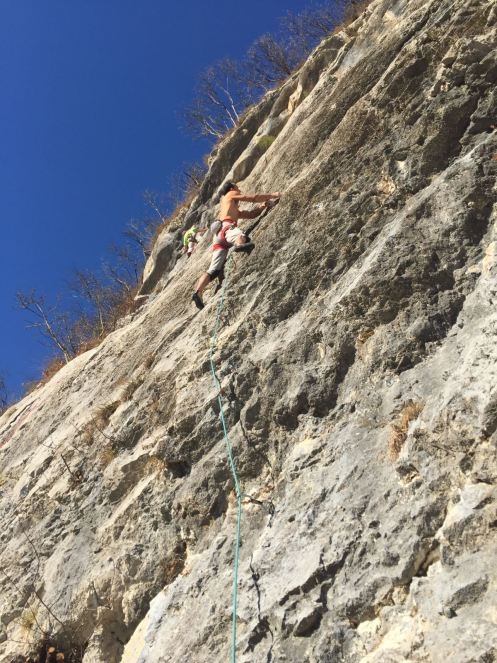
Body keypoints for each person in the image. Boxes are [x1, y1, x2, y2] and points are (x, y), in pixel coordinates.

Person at [192, 182, 280, 309]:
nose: (240, 190)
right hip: (227, 228)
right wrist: (272, 195)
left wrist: (263, 206)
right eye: (238, 188)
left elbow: (251, 214)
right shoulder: (230, 194)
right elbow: (252, 198)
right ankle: (239, 245)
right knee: (241, 236)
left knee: (213, 270)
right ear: (232, 188)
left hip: (218, 239)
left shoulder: (231, 209)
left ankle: (198, 292)